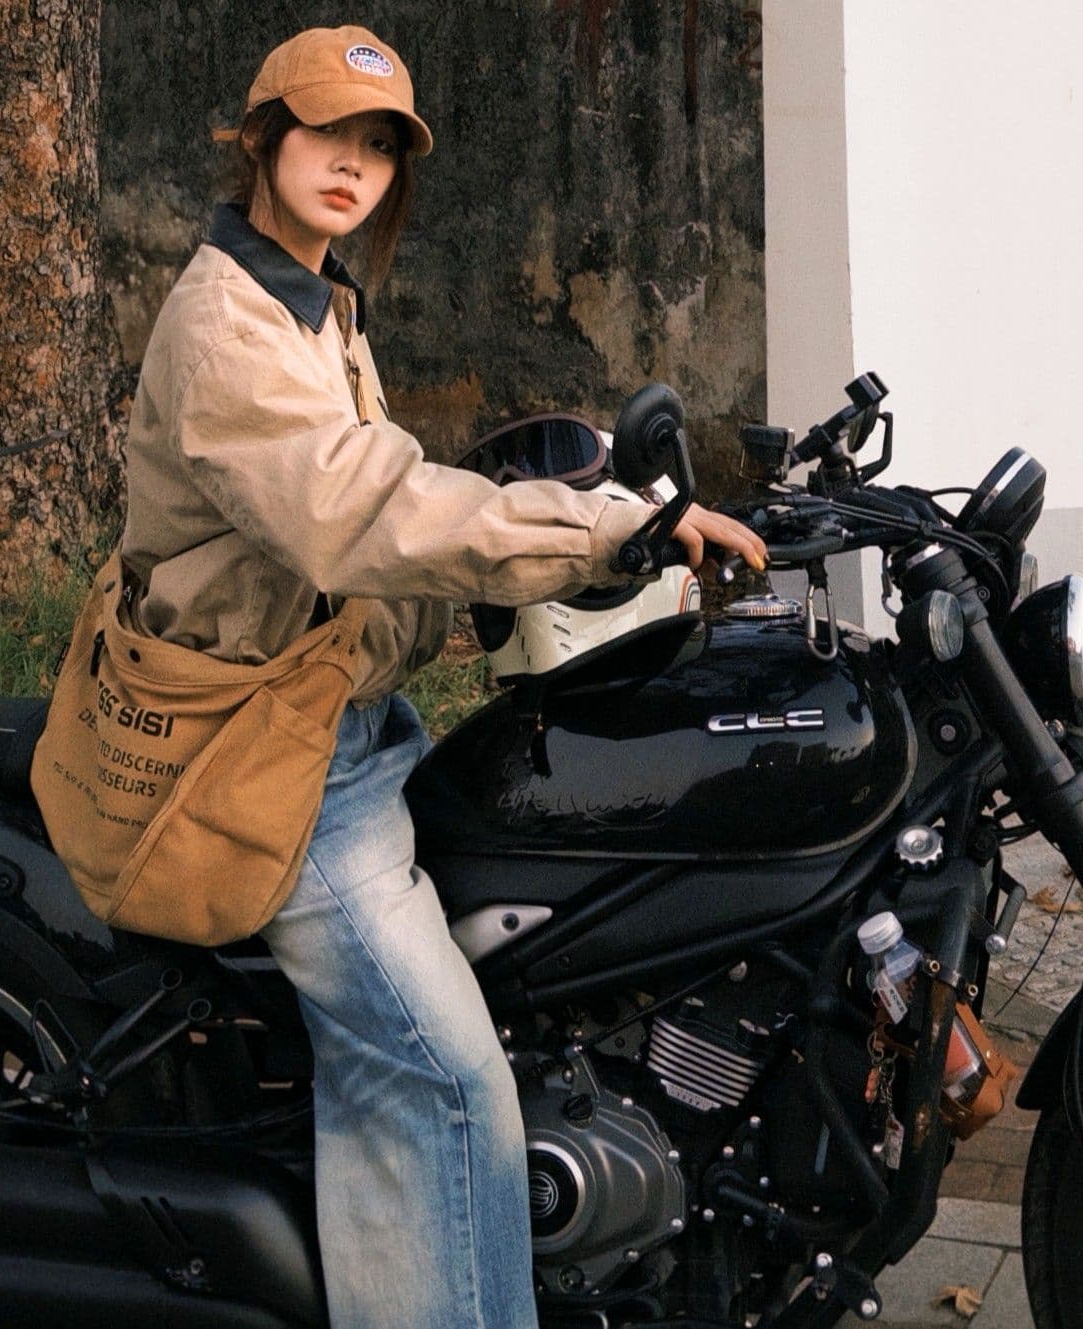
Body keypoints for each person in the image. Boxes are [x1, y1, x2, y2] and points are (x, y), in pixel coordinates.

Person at [114, 25, 766, 1329]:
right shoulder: (229, 322)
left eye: (376, 145)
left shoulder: (308, 295)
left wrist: (566, 503)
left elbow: (383, 506)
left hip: (341, 717)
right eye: (324, 133)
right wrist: (590, 529)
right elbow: (360, 513)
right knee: (443, 1075)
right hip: (269, 760)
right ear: (261, 139)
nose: (351, 163)